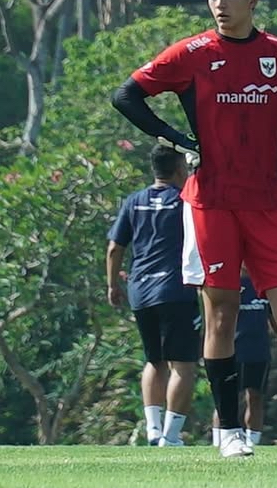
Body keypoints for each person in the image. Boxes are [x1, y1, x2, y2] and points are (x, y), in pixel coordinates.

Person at [112, 0, 277, 457]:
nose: (219, 5)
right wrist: (176, 137)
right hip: (211, 203)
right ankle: (228, 434)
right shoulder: (191, 53)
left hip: (267, 202)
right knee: (220, 314)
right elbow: (126, 96)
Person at [106, 146, 199, 447]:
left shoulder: (134, 201)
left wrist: (112, 285)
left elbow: (114, 248)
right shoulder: (185, 201)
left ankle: (153, 429)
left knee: (154, 360)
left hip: (141, 291)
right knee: (183, 365)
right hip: (175, 290)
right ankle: (171, 436)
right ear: (178, 171)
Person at [212, 270, 275, 448]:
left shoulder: (263, 285)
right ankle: (219, 441)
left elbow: (276, 319)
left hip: (259, 352)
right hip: (231, 351)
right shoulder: (227, 286)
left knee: (255, 397)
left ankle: (252, 442)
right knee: (226, 398)